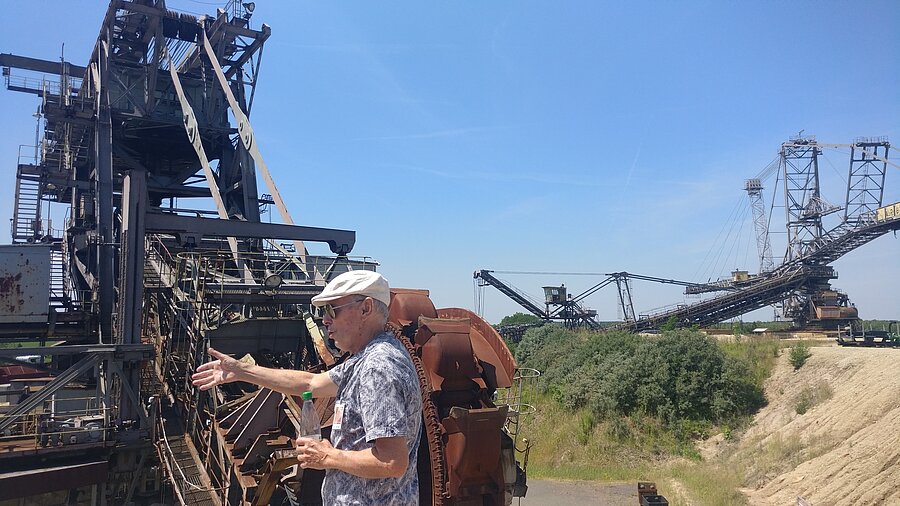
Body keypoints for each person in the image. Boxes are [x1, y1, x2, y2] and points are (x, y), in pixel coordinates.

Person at [192, 270, 422, 505]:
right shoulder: (365, 359)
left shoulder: (378, 367)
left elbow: (391, 462)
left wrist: (327, 456)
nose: (325, 320)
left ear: (366, 308)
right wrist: (242, 370)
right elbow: (310, 383)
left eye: (333, 309)